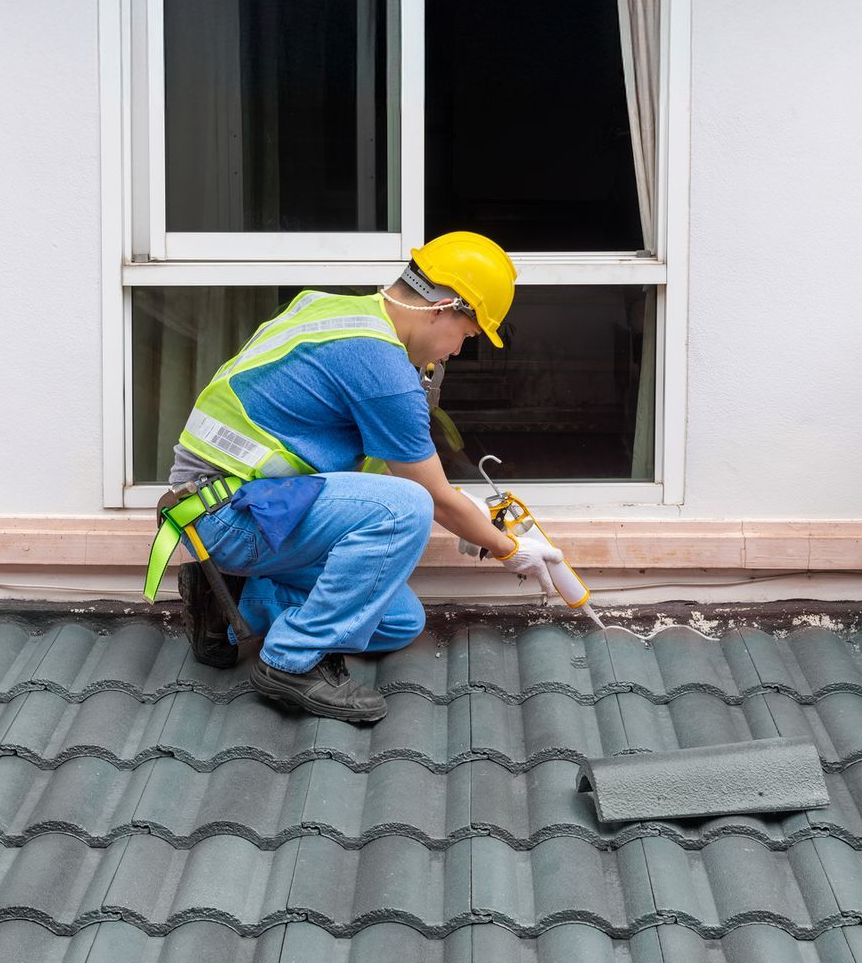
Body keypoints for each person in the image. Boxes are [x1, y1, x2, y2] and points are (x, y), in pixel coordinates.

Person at [154, 231, 563, 724]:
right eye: (467, 336)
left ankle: (230, 598)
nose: (455, 352)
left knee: (398, 620)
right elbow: (426, 495)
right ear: (444, 308)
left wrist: (465, 514)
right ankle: (290, 661)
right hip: (227, 515)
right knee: (406, 507)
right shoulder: (380, 364)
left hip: (235, 507)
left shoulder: (333, 311)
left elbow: (377, 467)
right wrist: (505, 547)